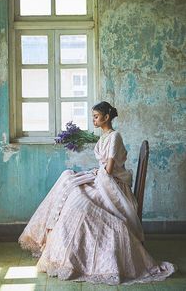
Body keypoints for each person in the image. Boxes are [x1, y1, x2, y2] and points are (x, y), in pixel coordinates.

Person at [18, 101, 176, 285]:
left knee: (80, 204)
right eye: (93, 116)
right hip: (105, 180)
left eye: (96, 116)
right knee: (72, 191)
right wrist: (93, 173)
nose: (93, 119)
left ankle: (81, 259)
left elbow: (108, 170)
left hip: (114, 186)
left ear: (106, 117)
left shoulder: (115, 136)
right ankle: (69, 257)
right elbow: (104, 169)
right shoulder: (102, 137)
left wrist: (93, 174)